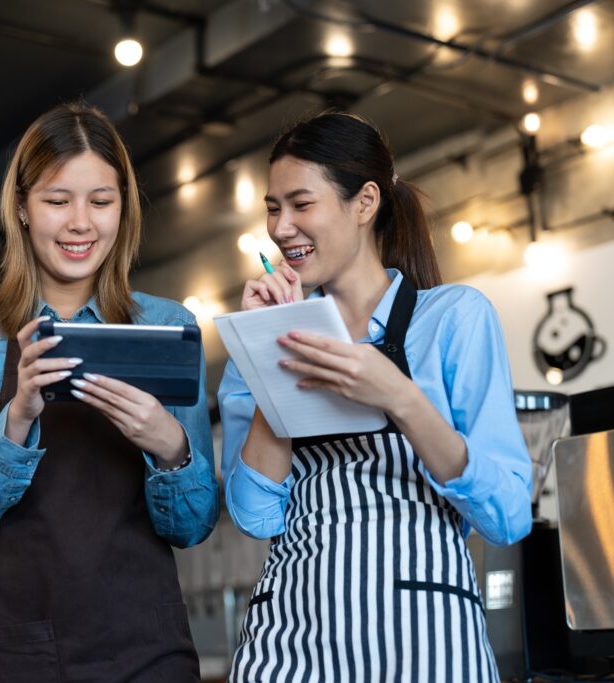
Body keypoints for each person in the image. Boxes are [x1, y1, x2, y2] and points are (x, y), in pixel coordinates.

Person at [218, 111, 532, 682]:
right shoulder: (259, 333)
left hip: (425, 639)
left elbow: (508, 515)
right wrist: (273, 356)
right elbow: (254, 515)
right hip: (291, 639)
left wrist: (400, 396)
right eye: (272, 207)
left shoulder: (453, 319)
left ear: (365, 203)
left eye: (300, 203)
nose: (281, 226)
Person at [0, 102, 220, 682]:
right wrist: (16, 421)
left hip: (143, 650)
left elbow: (193, 525)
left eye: (101, 202)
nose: (81, 223)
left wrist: (170, 446)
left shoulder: (166, 327)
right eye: (58, 201)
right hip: (2, 652)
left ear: (124, 209)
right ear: (22, 208)